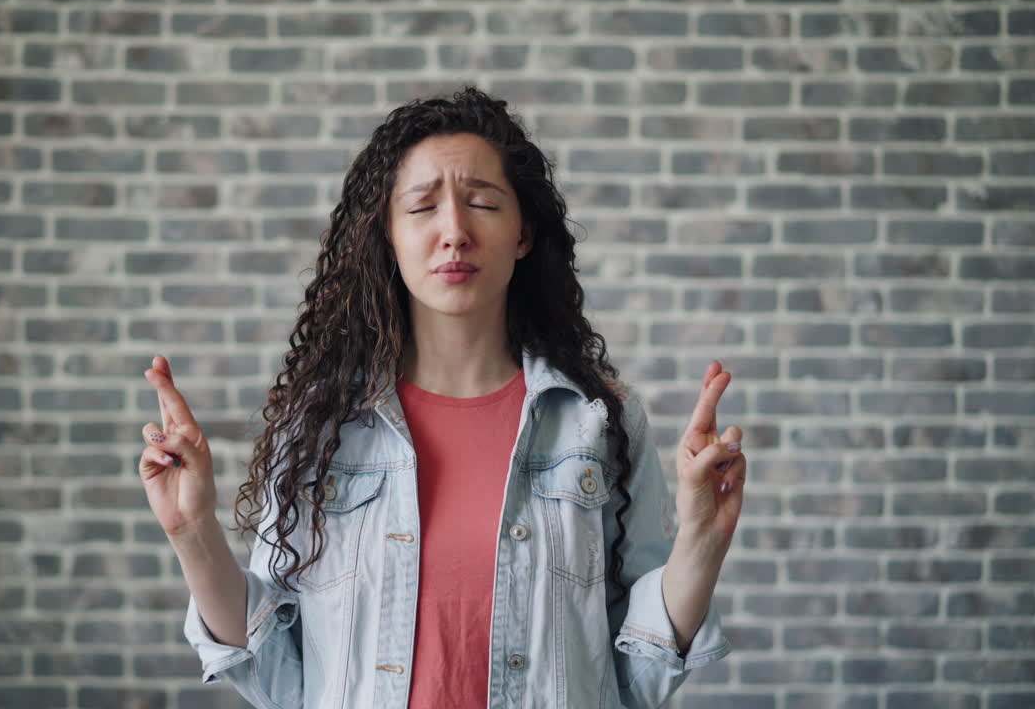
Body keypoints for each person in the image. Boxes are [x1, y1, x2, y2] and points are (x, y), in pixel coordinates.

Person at [138, 86, 746, 708]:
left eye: (482, 202)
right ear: (388, 236)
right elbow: (275, 674)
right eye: (423, 207)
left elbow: (638, 677)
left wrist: (703, 538)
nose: (454, 231)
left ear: (523, 233)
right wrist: (191, 531)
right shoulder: (321, 425)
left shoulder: (598, 421)